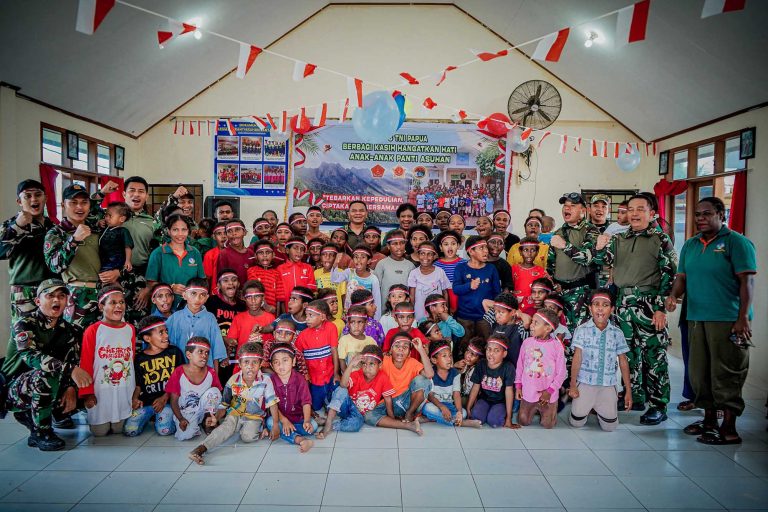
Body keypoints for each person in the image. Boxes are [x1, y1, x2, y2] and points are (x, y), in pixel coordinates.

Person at [666, 197, 757, 445]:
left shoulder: (737, 242)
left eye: (706, 214)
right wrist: (673, 295)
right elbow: (682, 277)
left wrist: (743, 317)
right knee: (700, 373)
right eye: (697, 214)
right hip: (696, 317)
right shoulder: (691, 245)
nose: (700, 218)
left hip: (727, 318)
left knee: (727, 372)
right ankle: (708, 421)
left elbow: (747, 281)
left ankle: (729, 428)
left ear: (721, 215)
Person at [604, 193, 677, 425]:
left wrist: (661, 308)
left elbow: (670, 273)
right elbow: (601, 262)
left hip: (649, 305)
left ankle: (658, 404)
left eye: (640, 209)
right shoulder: (619, 238)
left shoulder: (660, 239)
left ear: (652, 213)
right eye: (630, 209)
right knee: (629, 354)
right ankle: (633, 396)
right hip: (623, 304)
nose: (634, 214)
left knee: (654, 356)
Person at [2, 279, 92, 451]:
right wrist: (70, 370)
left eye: (61, 296)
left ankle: (56, 414)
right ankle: (41, 432)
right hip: (15, 388)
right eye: (50, 296)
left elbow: (73, 360)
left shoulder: (70, 330)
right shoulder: (24, 325)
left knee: (84, 379)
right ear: (38, 301)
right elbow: (31, 357)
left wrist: (71, 388)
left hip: (49, 383)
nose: (56, 300)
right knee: (46, 374)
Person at [188, 342, 279, 465]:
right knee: (225, 429)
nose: (250, 366)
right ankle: (200, 449)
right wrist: (216, 418)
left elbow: (272, 403)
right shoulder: (233, 380)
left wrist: (275, 425)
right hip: (234, 413)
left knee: (247, 437)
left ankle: (259, 428)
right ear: (240, 364)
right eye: (246, 362)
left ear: (261, 363)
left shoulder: (266, 380)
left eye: (254, 362)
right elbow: (224, 404)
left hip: (254, 416)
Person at [319, 344, 423, 437]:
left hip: (358, 414)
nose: (367, 367)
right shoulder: (357, 374)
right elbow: (343, 384)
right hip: (346, 406)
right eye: (364, 364)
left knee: (356, 425)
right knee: (341, 390)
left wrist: (392, 418)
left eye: (372, 364)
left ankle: (333, 426)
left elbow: (388, 399)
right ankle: (328, 422)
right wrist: (351, 365)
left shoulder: (383, 377)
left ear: (380, 365)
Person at [1, 179, 57, 347]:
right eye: (28, 196)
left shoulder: (52, 226)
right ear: (19, 201)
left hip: (50, 289)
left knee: (49, 335)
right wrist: (18, 226)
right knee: (24, 338)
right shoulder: (11, 225)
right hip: (24, 290)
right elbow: (1, 252)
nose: (34, 199)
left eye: (38, 195)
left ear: (45, 198)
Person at [44, 184, 108, 328]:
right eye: (73, 202)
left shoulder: (96, 228)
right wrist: (74, 241)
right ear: (63, 205)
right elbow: (54, 266)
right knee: (77, 338)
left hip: (104, 294)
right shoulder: (56, 233)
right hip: (77, 295)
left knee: (103, 338)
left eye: (84, 202)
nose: (79, 207)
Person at [568, 290, 632, 432]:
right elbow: (577, 358)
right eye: (596, 304)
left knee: (610, 427)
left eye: (605, 305)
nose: (600, 309)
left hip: (607, 384)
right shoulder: (581, 330)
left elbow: (623, 362)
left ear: (612, 309)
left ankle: (598, 407)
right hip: (585, 383)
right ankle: (588, 407)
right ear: (590, 308)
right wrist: (573, 385)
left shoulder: (617, 333)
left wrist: (628, 390)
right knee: (576, 423)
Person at [79, 286, 135, 437]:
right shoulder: (93, 330)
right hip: (101, 390)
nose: (119, 306)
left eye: (122, 302)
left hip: (123, 388)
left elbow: (131, 360)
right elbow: (85, 363)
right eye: (113, 302)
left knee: (118, 429)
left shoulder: (130, 329)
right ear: (101, 306)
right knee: (100, 432)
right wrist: (87, 393)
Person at [547, 192, 604, 332]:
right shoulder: (559, 232)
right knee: (561, 333)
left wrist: (564, 246)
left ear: (583, 210)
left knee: (581, 333)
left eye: (572, 206)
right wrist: (554, 284)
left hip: (581, 293)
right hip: (560, 294)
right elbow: (551, 264)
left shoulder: (591, 231)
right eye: (565, 206)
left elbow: (588, 258)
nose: (567, 208)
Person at [124, 315, 183, 437]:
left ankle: (168, 419)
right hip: (147, 403)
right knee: (130, 430)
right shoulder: (139, 358)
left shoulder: (174, 352)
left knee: (164, 430)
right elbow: (139, 384)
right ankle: (152, 417)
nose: (166, 335)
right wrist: (135, 399)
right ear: (147, 338)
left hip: (168, 402)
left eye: (166, 331)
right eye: (161, 332)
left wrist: (164, 398)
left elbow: (180, 380)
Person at [515, 310, 567, 428]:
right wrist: (518, 385)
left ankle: (559, 400)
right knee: (523, 421)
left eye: (536, 323)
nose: (531, 325)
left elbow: (561, 373)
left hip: (548, 394)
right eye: (532, 322)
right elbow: (520, 365)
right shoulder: (527, 342)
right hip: (529, 391)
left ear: (548, 328)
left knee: (548, 425)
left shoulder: (556, 346)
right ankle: (535, 409)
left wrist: (550, 391)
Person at [166, 337, 223, 441]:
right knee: (185, 436)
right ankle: (194, 423)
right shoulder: (179, 372)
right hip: (186, 412)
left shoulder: (211, 372)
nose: (204, 356)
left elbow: (217, 396)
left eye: (207, 353)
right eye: (200, 352)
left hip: (204, 410)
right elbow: (173, 401)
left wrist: (214, 415)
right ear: (189, 355)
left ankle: (207, 419)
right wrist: (181, 419)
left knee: (214, 392)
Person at [165, 278, 228, 370]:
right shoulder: (175, 318)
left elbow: (216, 351)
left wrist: (215, 376)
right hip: (180, 371)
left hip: (205, 371)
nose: (198, 299)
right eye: (193, 293)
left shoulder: (210, 318)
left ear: (207, 298)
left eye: (202, 295)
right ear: (184, 295)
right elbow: (167, 348)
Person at [453, 236, 500, 357]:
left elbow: (497, 293)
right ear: (471, 251)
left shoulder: (491, 269)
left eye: (486, 247)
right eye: (481, 248)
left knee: (486, 347)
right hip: (464, 317)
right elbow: (456, 289)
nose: (486, 251)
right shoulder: (461, 268)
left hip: (485, 317)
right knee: (464, 348)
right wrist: (469, 286)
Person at [146, 214, 206, 309]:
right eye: (175, 230)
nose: (180, 234)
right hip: (164, 308)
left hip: (190, 308)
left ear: (188, 231)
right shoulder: (158, 253)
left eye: (184, 229)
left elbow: (202, 281)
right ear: (168, 231)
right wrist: (170, 287)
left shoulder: (195, 252)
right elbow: (150, 284)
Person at [120, 176, 158, 321]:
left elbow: (157, 257)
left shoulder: (153, 223)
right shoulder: (111, 218)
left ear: (146, 196)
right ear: (124, 194)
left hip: (142, 278)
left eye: (141, 191)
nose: (136, 194)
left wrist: (148, 287)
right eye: (132, 190)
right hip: (115, 277)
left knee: (140, 322)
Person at [267, 342, 317, 452]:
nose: (281, 366)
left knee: (313, 426)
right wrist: (284, 420)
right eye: (276, 362)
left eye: (285, 360)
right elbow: (272, 404)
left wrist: (307, 420)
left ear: (293, 361)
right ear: (271, 365)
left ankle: (289, 430)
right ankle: (299, 439)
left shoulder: (300, 379)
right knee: (271, 422)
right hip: (279, 418)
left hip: (298, 418)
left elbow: (306, 402)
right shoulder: (270, 381)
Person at [294, 300, 340, 415]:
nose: (307, 319)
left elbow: (334, 350)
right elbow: (298, 357)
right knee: (316, 405)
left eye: (311, 315)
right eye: (306, 315)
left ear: (322, 317)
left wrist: (336, 373)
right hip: (314, 379)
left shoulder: (331, 327)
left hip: (330, 375)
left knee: (336, 400)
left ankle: (329, 406)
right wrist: (305, 376)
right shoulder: (302, 336)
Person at [423, 340, 482, 428]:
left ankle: (432, 418)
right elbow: (430, 396)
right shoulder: (431, 373)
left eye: (450, 355)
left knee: (464, 413)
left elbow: (456, 394)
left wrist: (459, 413)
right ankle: (463, 423)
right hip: (437, 405)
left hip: (450, 406)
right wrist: (442, 407)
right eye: (444, 356)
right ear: (434, 360)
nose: (449, 359)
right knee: (426, 408)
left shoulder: (455, 373)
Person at [378, 331, 433, 423]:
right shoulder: (384, 361)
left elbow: (429, 374)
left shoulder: (412, 362)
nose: (401, 349)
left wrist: (421, 350)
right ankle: (406, 418)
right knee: (370, 416)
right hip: (390, 404)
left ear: (409, 353)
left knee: (423, 380)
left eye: (405, 347)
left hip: (408, 403)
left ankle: (410, 414)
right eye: (397, 346)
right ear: (390, 350)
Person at [466, 335, 517, 428]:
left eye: (496, 351)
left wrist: (509, 418)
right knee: (476, 418)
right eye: (489, 349)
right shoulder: (481, 364)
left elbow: (509, 392)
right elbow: (476, 386)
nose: (491, 353)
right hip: (484, 399)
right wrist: (468, 407)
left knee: (494, 422)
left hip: (500, 402)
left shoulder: (508, 368)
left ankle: (497, 413)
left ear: (504, 354)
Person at [226, 280, 275, 359]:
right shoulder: (238, 318)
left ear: (263, 297)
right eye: (249, 297)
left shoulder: (270, 318)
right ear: (244, 298)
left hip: (264, 363)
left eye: (257, 296)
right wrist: (231, 342)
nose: (253, 300)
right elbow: (231, 340)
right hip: (242, 362)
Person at [332, 246, 382, 317]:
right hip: (350, 314)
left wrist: (376, 320)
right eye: (356, 257)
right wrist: (335, 265)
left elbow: (377, 301)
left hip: (365, 316)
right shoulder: (349, 272)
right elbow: (335, 280)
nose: (358, 260)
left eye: (363, 257)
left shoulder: (373, 279)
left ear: (368, 261)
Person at [408, 241, 451, 321]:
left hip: (438, 312)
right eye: (422, 253)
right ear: (418, 255)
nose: (426, 257)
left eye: (429, 254)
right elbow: (412, 296)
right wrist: (411, 313)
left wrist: (446, 310)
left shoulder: (440, 272)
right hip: (420, 313)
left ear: (434, 256)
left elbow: (445, 292)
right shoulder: (414, 273)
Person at [373, 230, 415, 308]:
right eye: (395, 244)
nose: (399, 247)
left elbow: (412, 291)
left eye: (402, 243)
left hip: (404, 310)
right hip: (385, 309)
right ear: (388, 246)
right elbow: (375, 288)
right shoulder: (382, 264)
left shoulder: (410, 266)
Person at [247, 240, 285, 314]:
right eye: (261, 253)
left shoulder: (277, 273)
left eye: (268, 252)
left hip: (272, 313)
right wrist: (266, 306)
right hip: (256, 312)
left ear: (273, 255)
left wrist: (277, 316)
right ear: (255, 256)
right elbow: (255, 291)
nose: (265, 255)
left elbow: (280, 298)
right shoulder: (251, 271)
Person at [277, 237, 317, 305]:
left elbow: (311, 291)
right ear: (287, 250)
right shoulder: (280, 269)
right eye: (295, 248)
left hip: (304, 307)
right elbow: (279, 295)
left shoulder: (308, 268)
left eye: (302, 249)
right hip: (287, 307)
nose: (299, 251)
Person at [337, 305, 377, 372]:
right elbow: (342, 364)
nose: (356, 326)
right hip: (350, 377)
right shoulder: (344, 340)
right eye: (353, 322)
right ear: (348, 324)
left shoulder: (371, 341)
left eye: (360, 322)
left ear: (366, 323)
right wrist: (348, 377)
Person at [512, 237, 550, 304]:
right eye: (525, 250)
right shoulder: (513, 269)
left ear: (537, 252)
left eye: (533, 250)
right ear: (520, 252)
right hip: (516, 305)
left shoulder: (541, 271)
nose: (529, 253)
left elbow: (548, 290)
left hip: (535, 306)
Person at [434, 230, 464, 313]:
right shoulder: (436, 265)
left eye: (453, 244)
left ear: (458, 246)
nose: (450, 247)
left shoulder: (465, 263)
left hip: (461, 301)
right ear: (441, 247)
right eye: (446, 244)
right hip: (443, 301)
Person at [217, 219, 254, 286]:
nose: (234, 233)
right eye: (229, 231)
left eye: (237, 230)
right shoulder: (224, 254)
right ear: (226, 235)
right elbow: (222, 277)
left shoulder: (251, 253)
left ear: (245, 232)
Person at [315, 244, 345, 323]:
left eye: (331, 255)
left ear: (336, 258)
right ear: (320, 257)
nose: (327, 257)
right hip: (321, 316)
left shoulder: (341, 273)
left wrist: (345, 312)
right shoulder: (316, 273)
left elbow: (343, 295)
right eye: (324, 254)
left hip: (337, 315)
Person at [203, 222, 228, 294]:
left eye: (225, 233)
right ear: (214, 236)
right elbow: (207, 278)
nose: (223, 236)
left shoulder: (236, 253)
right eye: (219, 233)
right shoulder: (209, 255)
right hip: (216, 293)